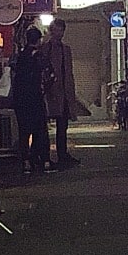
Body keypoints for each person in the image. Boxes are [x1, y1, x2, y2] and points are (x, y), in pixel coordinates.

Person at [41, 20, 86, 167]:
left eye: (61, 31)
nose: (58, 33)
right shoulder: (45, 49)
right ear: (51, 31)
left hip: (65, 92)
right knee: (43, 126)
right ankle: (44, 156)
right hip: (51, 92)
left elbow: (69, 73)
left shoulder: (66, 50)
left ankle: (62, 154)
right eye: (56, 30)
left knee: (63, 125)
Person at [11, 26, 49, 172]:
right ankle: (39, 159)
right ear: (38, 40)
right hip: (35, 97)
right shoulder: (38, 56)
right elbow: (48, 74)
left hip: (20, 99)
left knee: (24, 131)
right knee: (39, 130)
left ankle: (25, 161)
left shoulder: (19, 56)